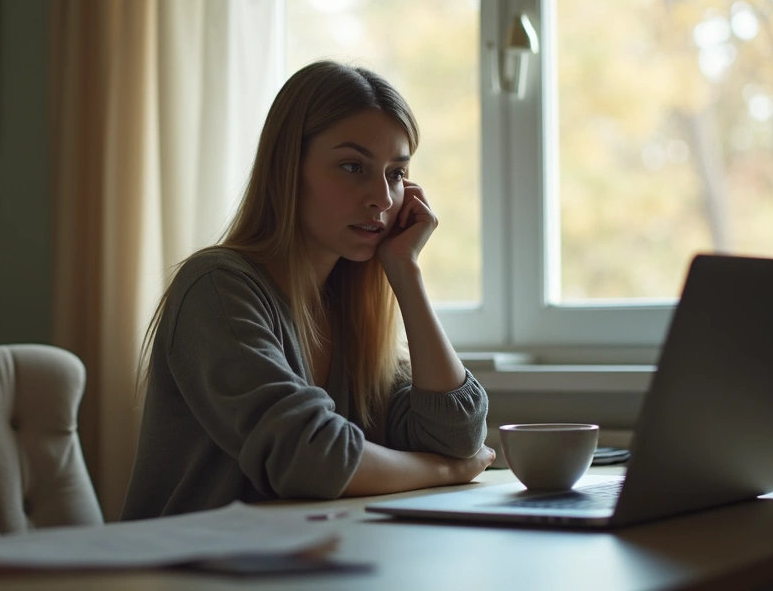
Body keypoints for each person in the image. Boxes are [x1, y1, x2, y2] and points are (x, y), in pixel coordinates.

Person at [121, 61, 494, 521]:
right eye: (353, 166)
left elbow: (457, 437)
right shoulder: (216, 288)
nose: (381, 196)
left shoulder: (351, 309)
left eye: (396, 174)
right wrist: (441, 472)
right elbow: (311, 458)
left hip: (309, 563)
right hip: (190, 570)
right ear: (288, 170)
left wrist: (406, 273)